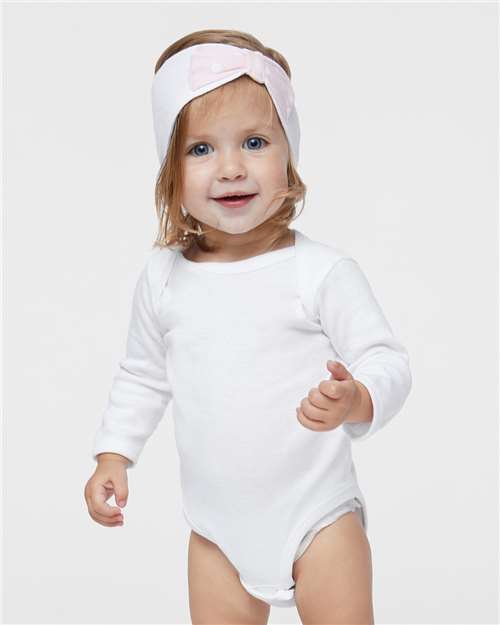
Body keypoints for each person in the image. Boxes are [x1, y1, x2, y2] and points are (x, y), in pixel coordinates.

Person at [84, 29, 412, 625]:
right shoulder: (164, 279)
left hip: (318, 518)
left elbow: (386, 359)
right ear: (170, 172)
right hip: (216, 532)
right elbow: (142, 375)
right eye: (200, 149)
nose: (231, 168)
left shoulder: (319, 272)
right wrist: (114, 454)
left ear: (289, 156)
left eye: (255, 142)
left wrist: (358, 397)